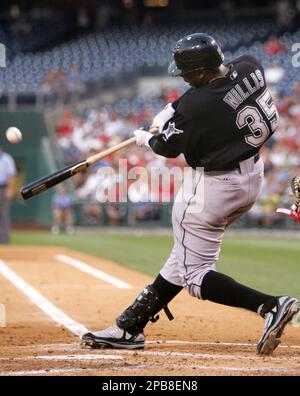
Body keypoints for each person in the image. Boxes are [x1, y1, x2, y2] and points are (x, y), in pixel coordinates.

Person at [81, 33, 300, 355]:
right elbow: (206, 95)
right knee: (182, 259)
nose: (183, 77)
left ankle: (270, 305)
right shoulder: (249, 65)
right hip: (251, 177)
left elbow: (167, 145)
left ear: (199, 73)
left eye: (186, 73)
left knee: (195, 276)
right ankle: (130, 326)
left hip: (213, 187)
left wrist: (146, 138)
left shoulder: (198, 106)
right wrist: (170, 109)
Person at [0, 145, 17, 244]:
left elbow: (11, 175)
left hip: (3, 188)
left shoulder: (7, 159)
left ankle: (5, 241)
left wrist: (10, 189)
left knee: (4, 214)